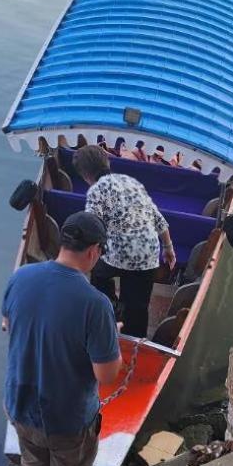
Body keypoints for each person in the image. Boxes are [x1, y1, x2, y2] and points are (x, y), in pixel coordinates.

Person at [1, 211, 123, 466]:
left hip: (20, 402)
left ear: (62, 242)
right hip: (67, 417)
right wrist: (111, 335)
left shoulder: (20, 277)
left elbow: (6, 325)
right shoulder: (95, 304)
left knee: (33, 462)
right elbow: (107, 374)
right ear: (94, 252)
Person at [73, 144, 177, 338]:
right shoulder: (131, 183)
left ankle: (110, 307)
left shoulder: (96, 192)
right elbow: (158, 218)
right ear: (108, 162)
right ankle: (135, 338)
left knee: (99, 275)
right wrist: (168, 247)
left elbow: (92, 228)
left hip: (115, 258)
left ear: (85, 176)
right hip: (148, 257)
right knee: (138, 307)